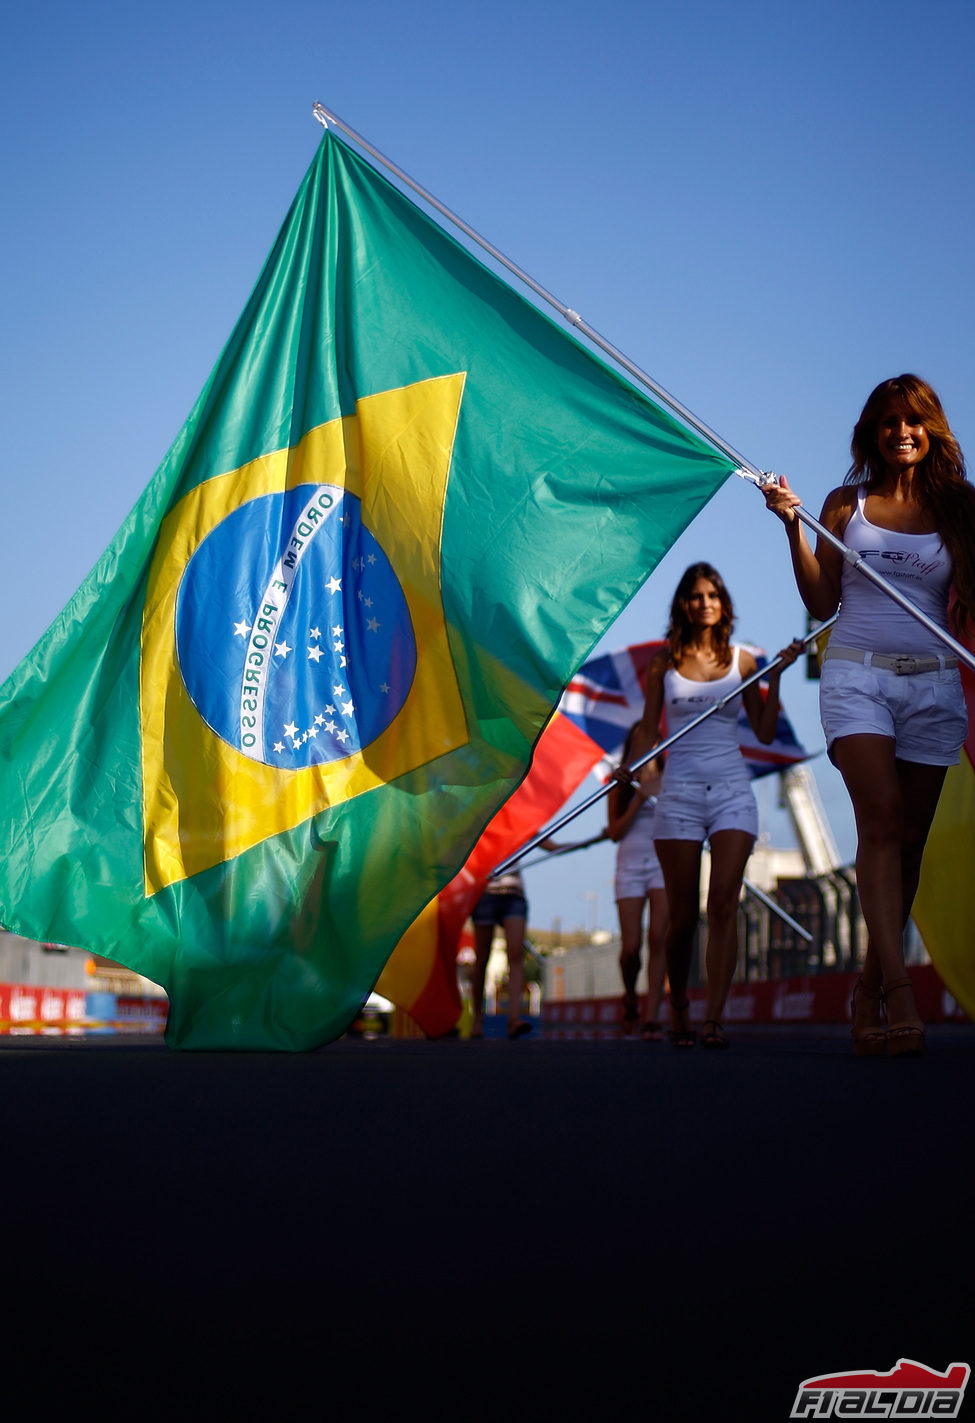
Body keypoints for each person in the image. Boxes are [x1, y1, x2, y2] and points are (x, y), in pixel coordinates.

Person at [763, 374, 975, 1058]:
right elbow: (822, 600)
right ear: (871, 433)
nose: (900, 432)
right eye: (887, 422)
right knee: (879, 820)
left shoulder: (958, 511)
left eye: (912, 421)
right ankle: (900, 989)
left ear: (931, 429)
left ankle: (866, 985)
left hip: (934, 686)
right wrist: (792, 527)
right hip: (855, 676)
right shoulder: (843, 503)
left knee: (905, 844)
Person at [618, 563, 802, 1049]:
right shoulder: (664, 661)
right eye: (696, 596)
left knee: (723, 902)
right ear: (684, 604)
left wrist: (775, 679)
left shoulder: (744, 661)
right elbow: (646, 729)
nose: (704, 603)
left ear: (723, 603)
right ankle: (678, 1005)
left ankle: (714, 1018)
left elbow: (763, 731)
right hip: (677, 792)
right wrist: (633, 768)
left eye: (712, 595)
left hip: (730, 790)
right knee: (681, 916)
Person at [606, 726, 669, 1039]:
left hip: (661, 863)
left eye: (653, 744)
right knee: (631, 947)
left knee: (659, 937)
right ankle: (630, 993)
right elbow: (615, 832)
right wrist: (638, 798)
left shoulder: (672, 777)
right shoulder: (620, 782)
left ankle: (652, 1014)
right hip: (629, 865)